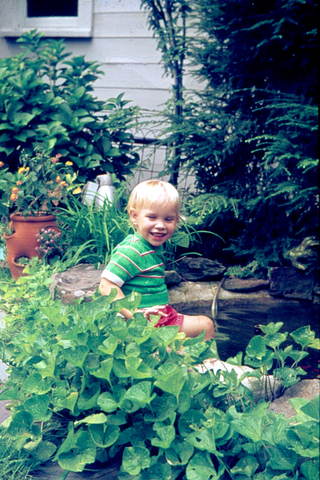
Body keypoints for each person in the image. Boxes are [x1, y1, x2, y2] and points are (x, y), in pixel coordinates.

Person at [99, 179, 215, 341]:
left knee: (201, 328)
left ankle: (196, 362)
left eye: (168, 219)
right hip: (140, 322)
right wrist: (135, 315)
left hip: (158, 316)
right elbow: (106, 286)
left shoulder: (151, 247)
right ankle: (205, 363)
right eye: (152, 217)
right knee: (205, 326)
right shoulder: (132, 250)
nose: (160, 225)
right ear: (134, 217)